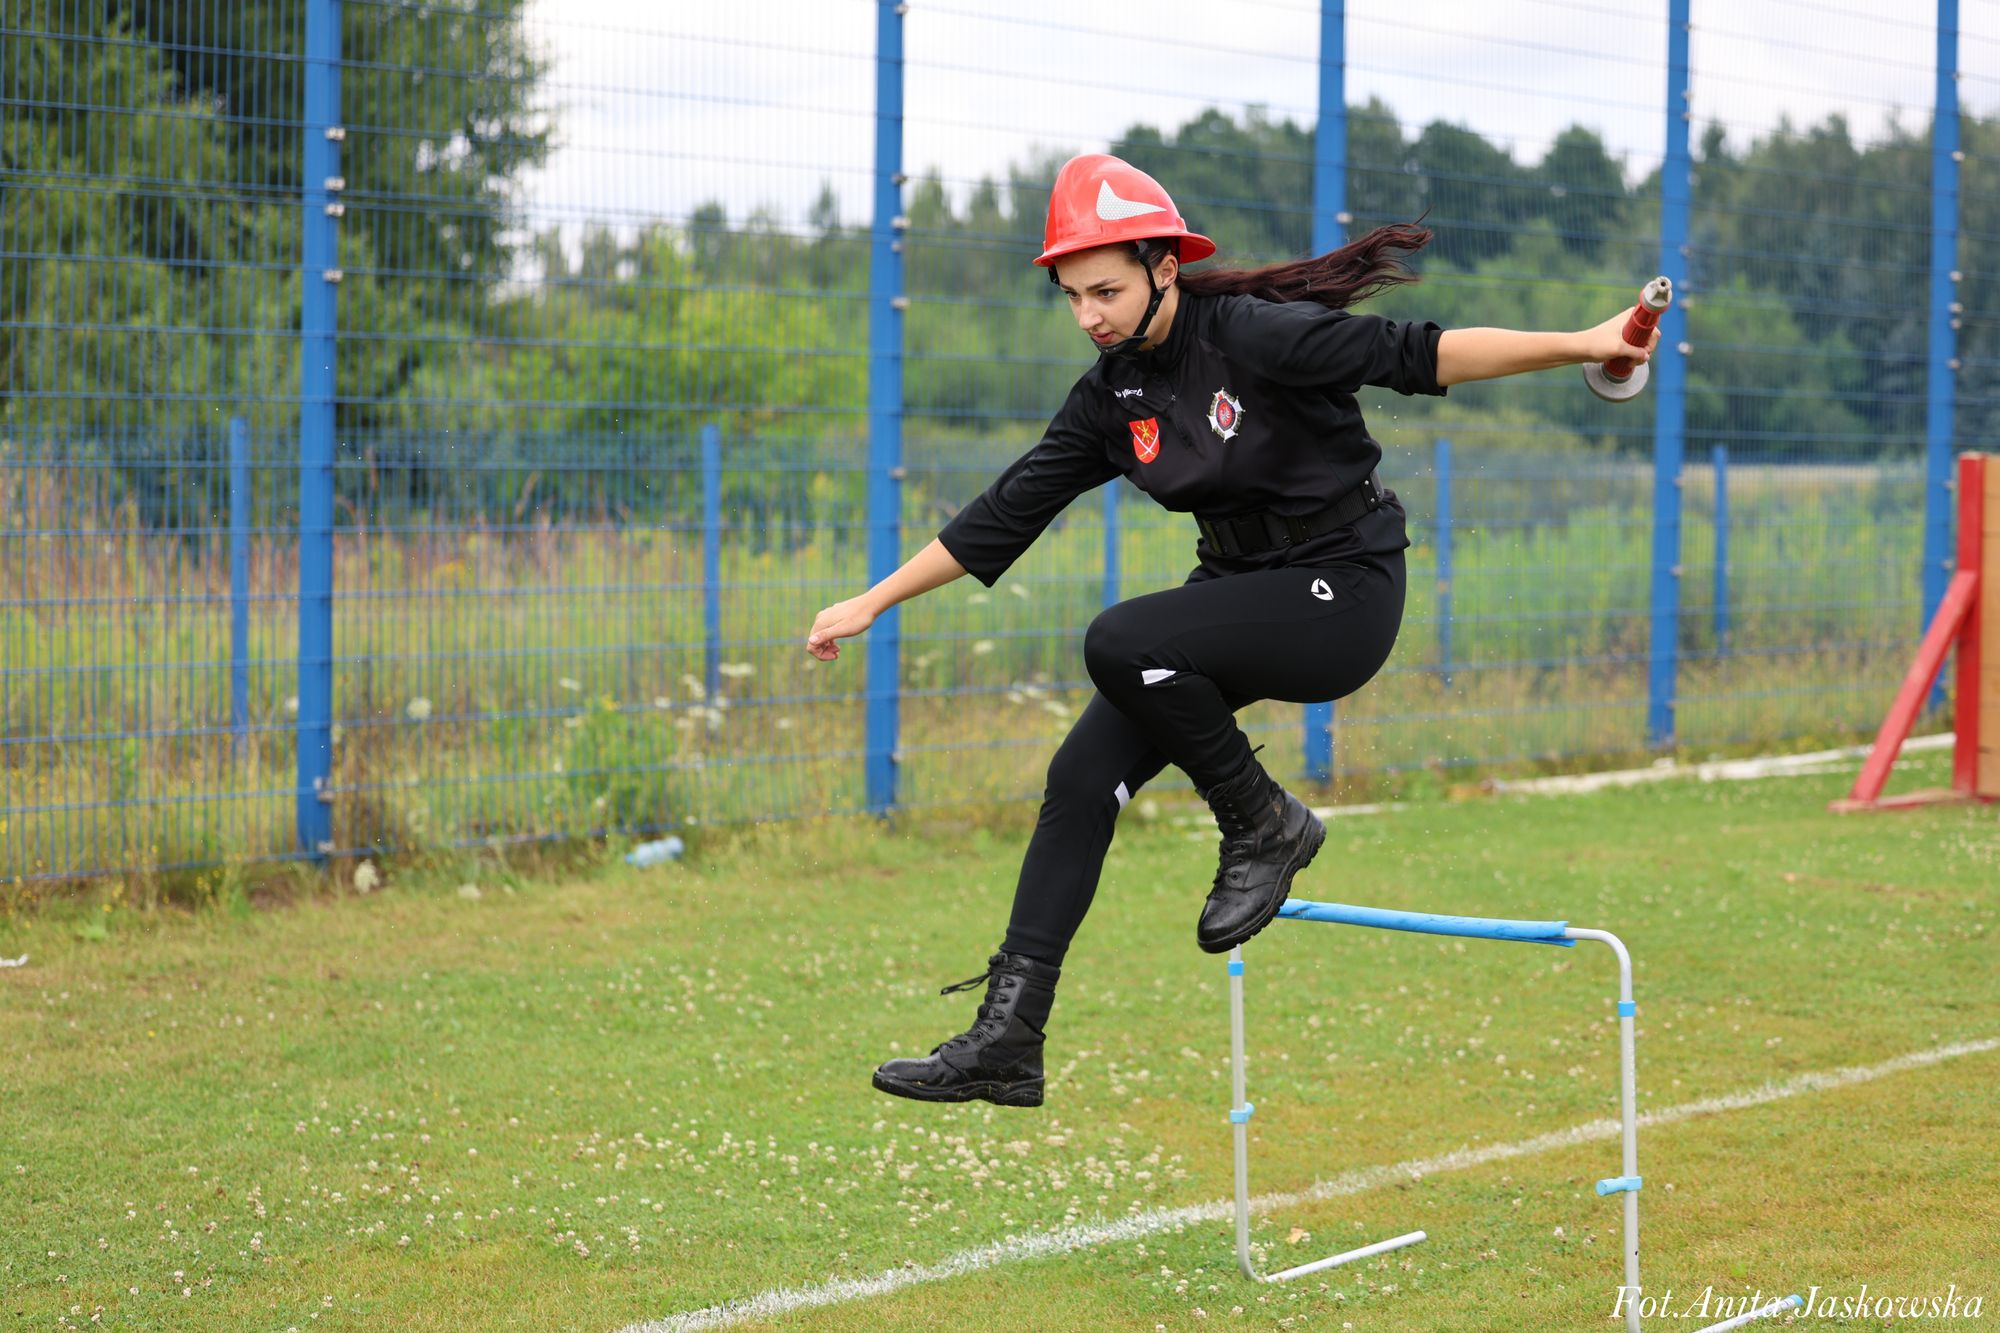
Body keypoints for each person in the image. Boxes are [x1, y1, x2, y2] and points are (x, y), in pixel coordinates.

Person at [804, 153, 1657, 1109]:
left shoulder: (1254, 334)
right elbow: (1007, 510)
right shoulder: (1111, 395)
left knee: (1120, 639)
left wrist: (1588, 340)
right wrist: (874, 601)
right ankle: (1009, 1036)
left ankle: (1265, 823)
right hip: (1244, 588)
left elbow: (1422, 353)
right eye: (1074, 295)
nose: (1090, 315)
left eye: (1108, 290)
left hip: (1345, 590)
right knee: (1081, 776)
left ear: (1164, 265)